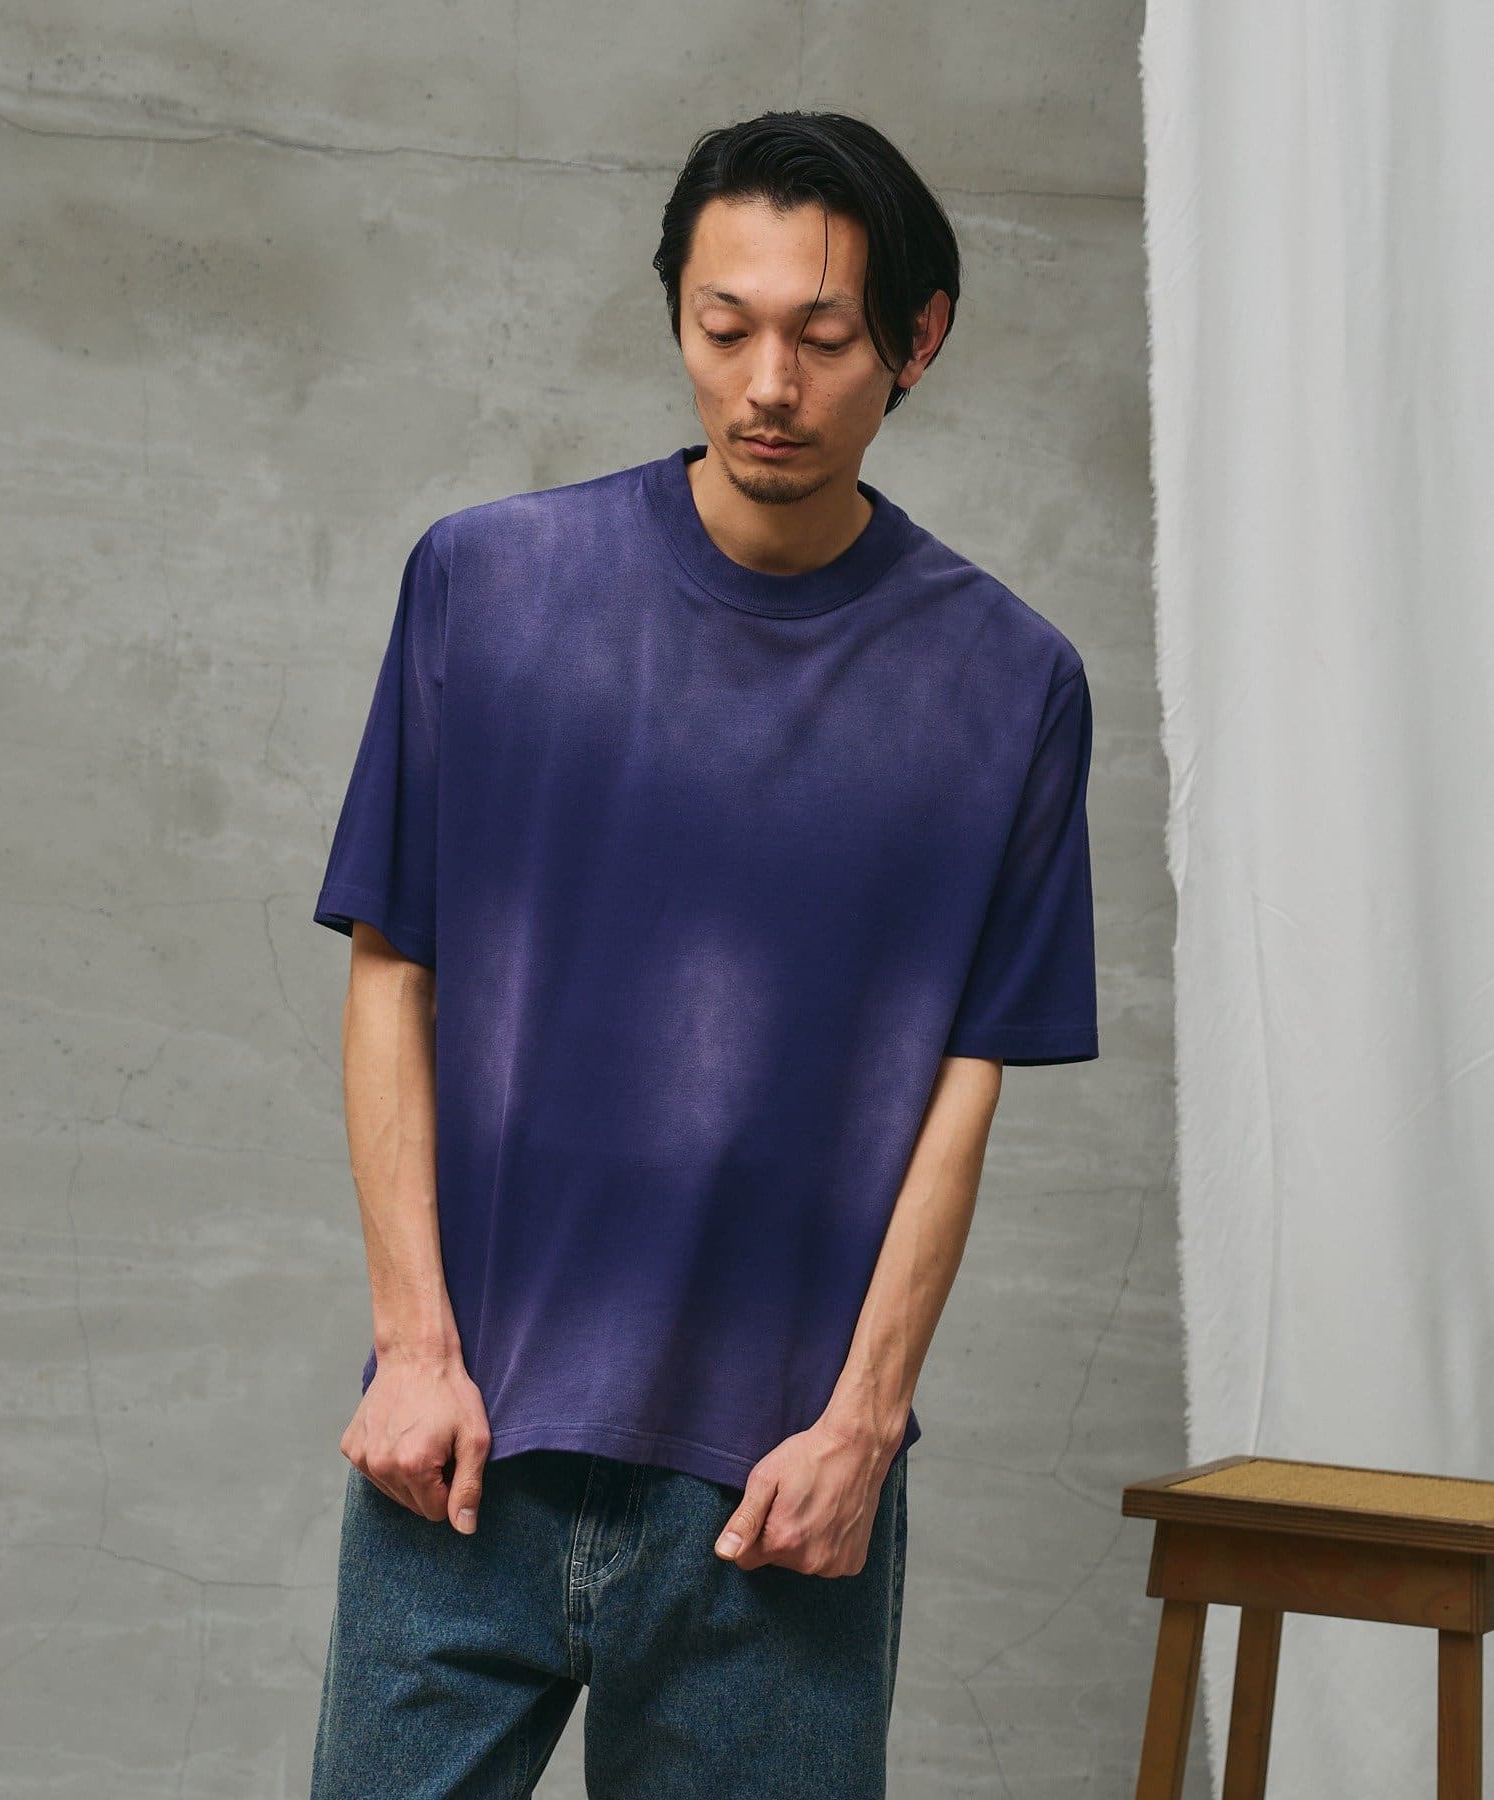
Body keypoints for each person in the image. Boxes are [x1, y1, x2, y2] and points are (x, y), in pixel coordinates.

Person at [308, 108, 1099, 1800]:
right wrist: (414, 1347)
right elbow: (393, 967)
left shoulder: (1008, 686)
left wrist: (865, 1424)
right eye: (722, 326)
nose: (768, 385)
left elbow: (966, 1084)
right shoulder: (487, 588)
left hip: (775, 1494)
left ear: (919, 338)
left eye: (823, 336)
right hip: (467, 1445)